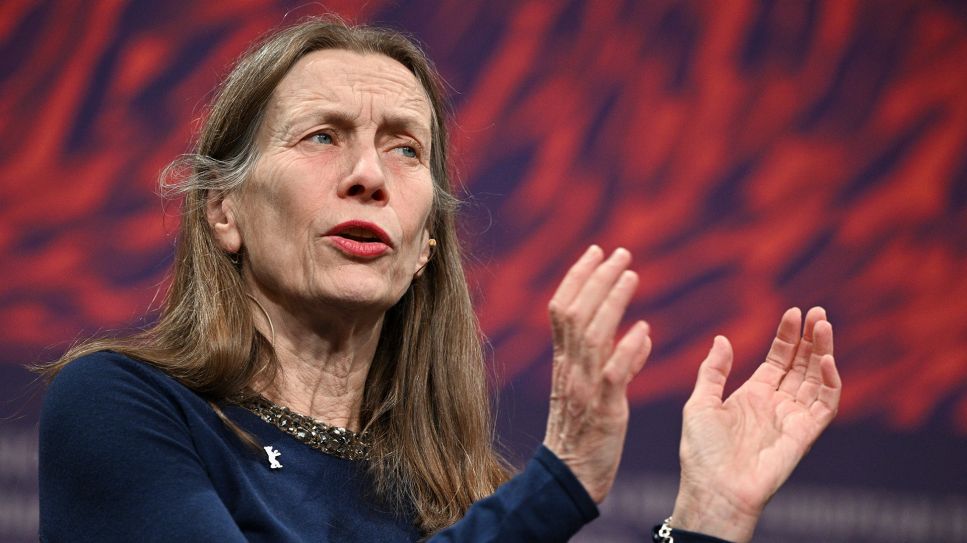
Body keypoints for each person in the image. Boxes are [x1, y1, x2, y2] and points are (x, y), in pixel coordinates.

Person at [36, 17, 841, 543]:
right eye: (321, 137)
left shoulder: (461, 500)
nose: (367, 176)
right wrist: (556, 485)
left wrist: (708, 516)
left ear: (423, 243)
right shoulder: (122, 406)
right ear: (224, 211)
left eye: (404, 148)